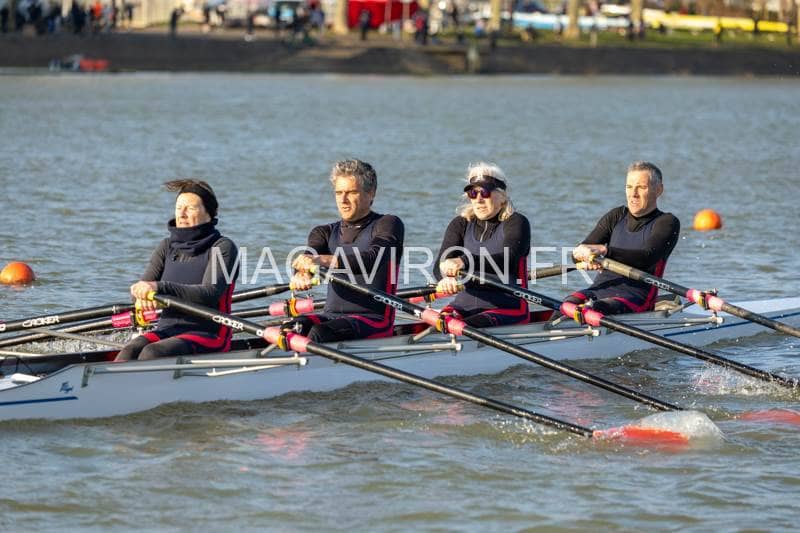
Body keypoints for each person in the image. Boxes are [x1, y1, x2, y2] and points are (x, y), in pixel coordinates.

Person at [115, 180, 239, 361]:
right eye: (178, 208)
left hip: (210, 333)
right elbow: (140, 295)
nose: (181, 214)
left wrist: (159, 287)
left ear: (209, 213)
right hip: (167, 330)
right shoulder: (166, 246)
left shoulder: (223, 247)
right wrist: (139, 293)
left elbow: (209, 294)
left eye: (190, 208)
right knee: (130, 350)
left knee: (152, 352)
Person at [288, 159, 404, 343]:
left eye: (351, 192)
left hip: (374, 320)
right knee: (291, 328)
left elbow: (372, 259)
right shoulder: (323, 232)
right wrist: (302, 274)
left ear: (371, 193)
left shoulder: (388, 224)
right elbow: (309, 257)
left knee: (319, 333)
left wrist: (322, 260)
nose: (343, 200)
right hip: (331, 316)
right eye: (339, 193)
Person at [565, 161, 680, 315]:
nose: (633, 194)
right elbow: (578, 254)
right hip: (598, 290)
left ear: (659, 190)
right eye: (629, 187)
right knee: (566, 305)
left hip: (636, 298)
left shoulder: (666, 222)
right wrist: (582, 255)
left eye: (641, 187)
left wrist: (605, 251)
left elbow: (647, 257)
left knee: (594, 309)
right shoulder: (616, 216)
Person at [433, 163, 531, 328]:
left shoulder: (516, 222)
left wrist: (465, 261)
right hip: (462, 307)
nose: (478, 199)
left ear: (502, 196)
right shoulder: (460, 224)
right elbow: (440, 264)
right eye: (473, 193)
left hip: (507, 307)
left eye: (485, 192)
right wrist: (445, 278)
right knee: (437, 326)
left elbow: (508, 259)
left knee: (456, 329)